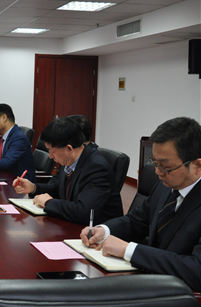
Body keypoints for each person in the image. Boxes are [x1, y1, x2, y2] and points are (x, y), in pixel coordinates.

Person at [80, 117, 201, 292]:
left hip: (182, 296)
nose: (157, 172)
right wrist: (104, 230)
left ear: (197, 166)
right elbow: (136, 221)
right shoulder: (164, 186)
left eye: (165, 167)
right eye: (155, 162)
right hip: (151, 282)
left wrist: (129, 250)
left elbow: (196, 271)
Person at [14, 116, 122, 224]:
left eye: (52, 151)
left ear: (69, 148)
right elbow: (57, 188)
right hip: (72, 222)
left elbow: (84, 211)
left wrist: (48, 202)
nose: (50, 156)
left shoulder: (97, 168)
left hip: (97, 230)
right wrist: (33, 188)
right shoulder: (68, 159)